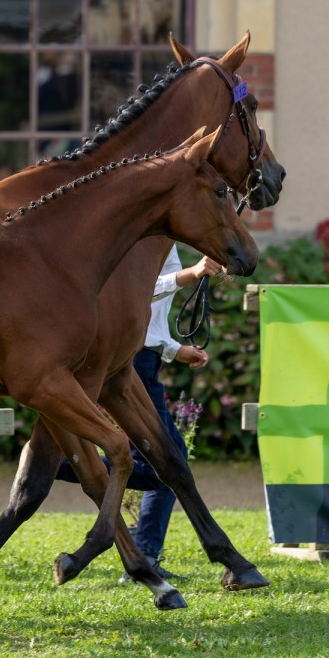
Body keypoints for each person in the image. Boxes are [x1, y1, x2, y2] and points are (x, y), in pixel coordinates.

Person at [55, 246, 219, 581]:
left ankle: (63, 465)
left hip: (145, 356)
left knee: (166, 463)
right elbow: (133, 290)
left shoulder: (164, 240)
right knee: (168, 462)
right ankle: (62, 466)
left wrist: (173, 349)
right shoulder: (144, 235)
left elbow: (147, 315)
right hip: (134, 361)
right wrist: (188, 274)